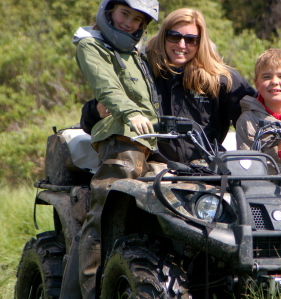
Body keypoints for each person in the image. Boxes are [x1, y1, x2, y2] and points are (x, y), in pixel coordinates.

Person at [60, 0, 159, 298]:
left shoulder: (133, 52)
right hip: (121, 139)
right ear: (108, 11)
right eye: (124, 14)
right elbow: (107, 87)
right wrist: (131, 113)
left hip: (147, 141)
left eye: (137, 19)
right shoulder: (91, 45)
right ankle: (85, 294)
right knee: (102, 219)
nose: (129, 23)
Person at [81, 8, 256, 165]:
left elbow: (256, 113)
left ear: (200, 42)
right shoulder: (142, 69)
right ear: (163, 36)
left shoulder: (220, 78)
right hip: (151, 168)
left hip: (206, 167)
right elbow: (92, 119)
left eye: (191, 40)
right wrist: (98, 110)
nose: (181, 45)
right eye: (174, 36)